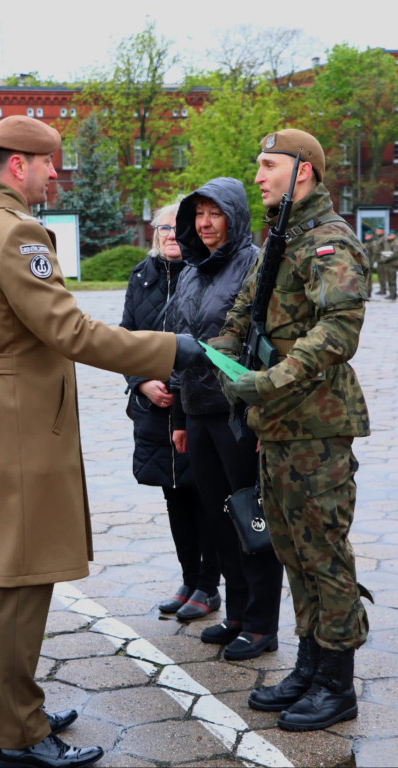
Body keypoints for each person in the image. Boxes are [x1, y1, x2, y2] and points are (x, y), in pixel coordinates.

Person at [0, 115, 205, 768]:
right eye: (49, 162)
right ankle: (22, 736)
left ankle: (10, 714)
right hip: (23, 427)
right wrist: (171, 348)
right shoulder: (16, 232)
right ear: (20, 164)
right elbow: (72, 331)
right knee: (22, 583)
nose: (55, 173)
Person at [210, 128, 372, 731]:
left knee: (323, 552)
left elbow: (340, 327)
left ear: (302, 171)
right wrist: (223, 359)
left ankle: (338, 682)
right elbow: (240, 314)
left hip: (316, 424)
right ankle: (309, 664)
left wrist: (271, 379)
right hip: (276, 425)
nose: (257, 176)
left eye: (268, 165)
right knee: (291, 550)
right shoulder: (283, 240)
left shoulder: (327, 242)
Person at [171, 177, 284, 661]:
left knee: (250, 519)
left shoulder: (255, 265)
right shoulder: (192, 270)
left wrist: (261, 415)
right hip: (197, 414)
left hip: (238, 416)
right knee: (219, 521)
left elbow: (264, 346)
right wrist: (178, 413)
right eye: (198, 214)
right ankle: (235, 614)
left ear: (233, 215)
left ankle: (261, 625)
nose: (204, 223)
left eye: (214, 213)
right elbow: (178, 344)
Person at [120, 203, 220, 616]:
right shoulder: (141, 277)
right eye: (163, 227)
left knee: (206, 495)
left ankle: (209, 586)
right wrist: (141, 382)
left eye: (176, 227)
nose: (170, 234)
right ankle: (188, 580)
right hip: (152, 407)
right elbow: (124, 338)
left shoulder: (203, 273)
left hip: (194, 403)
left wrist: (176, 387)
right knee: (173, 494)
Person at [374, 225, 388, 295]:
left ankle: (383, 290)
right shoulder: (379, 239)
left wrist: (383, 259)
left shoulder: (384, 239)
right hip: (378, 259)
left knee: (382, 275)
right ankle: (381, 289)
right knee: (380, 275)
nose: (376, 232)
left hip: (382, 260)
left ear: (382, 231)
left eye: (378, 230)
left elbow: (385, 249)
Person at [362, 230, 374, 298]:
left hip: (369, 263)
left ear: (371, 236)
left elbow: (374, 254)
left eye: (367, 235)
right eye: (365, 235)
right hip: (365, 263)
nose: (366, 236)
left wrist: (371, 263)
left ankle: (368, 292)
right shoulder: (365, 244)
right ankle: (366, 292)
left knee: (368, 280)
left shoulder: (372, 244)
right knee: (365, 279)